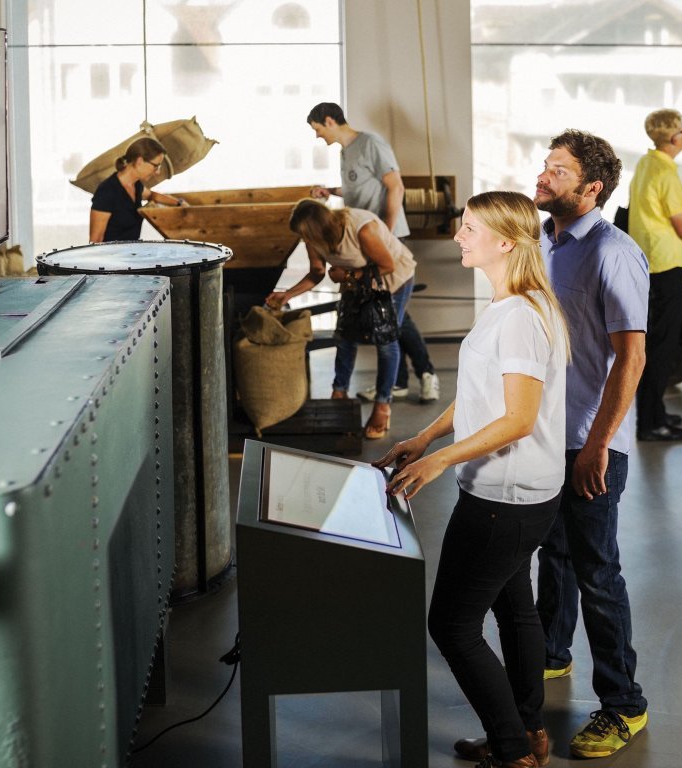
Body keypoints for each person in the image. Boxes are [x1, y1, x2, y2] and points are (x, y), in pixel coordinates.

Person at [374, 191, 568, 768]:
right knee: (515, 609)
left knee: (452, 625)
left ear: (505, 241)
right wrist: (426, 438)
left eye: (469, 228)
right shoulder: (517, 304)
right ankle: (528, 732)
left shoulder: (518, 319)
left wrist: (439, 461)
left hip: (502, 499)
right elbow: (481, 399)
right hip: (520, 492)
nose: (459, 236)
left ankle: (512, 752)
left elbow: (518, 418)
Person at [534, 130, 650, 758]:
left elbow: (631, 357)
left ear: (591, 188)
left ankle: (625, 706)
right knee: (553, 554)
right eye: (545, 165)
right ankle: (552, 656)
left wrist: (597, 445)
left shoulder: (613, 252)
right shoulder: (546, 243)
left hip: (592, 441)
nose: (543, 176)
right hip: (549, 434)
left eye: (558, 170)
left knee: (598, 572)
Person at [307, 102, 440, 403]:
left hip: (384, 239)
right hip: (363, 240)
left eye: (317, 130)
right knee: (391, 317)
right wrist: (330, 192)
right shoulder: (346, 151)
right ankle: (401, 381)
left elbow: (396, 187)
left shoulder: (371, 143)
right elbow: (357, 190)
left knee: (391, 317)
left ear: (329, 121)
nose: (317, 136)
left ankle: (426, 375)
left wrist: (386, 232)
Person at [266, 199, 415, 439]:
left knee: (385, 341)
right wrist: (287, 294)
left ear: (318, 229)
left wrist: (346, 275)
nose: (305, 241)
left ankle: (382, 404)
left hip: (393, 281)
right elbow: (316, 273)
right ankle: (339, 391)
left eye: (306, 236)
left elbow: (386, 265)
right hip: (355, 283)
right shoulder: (314, 239)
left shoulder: (362, 229)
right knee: (345, 337)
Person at [628, 109, 682, 442]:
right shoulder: (667, 174)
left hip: (648, 262)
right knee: (663, 346)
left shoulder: (645, 163)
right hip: (666, 264)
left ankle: (655, 412)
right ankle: (650, 424)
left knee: (655, 342)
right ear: (673, 137)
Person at [89, 137, 188, 243]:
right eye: (156, 166)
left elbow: (152, 195)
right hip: (113, 257)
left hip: (132, 253)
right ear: (140, 161)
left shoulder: (136, 185)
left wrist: (179, 203)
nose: (157, 172)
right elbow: (95, 241)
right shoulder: (107, 192)